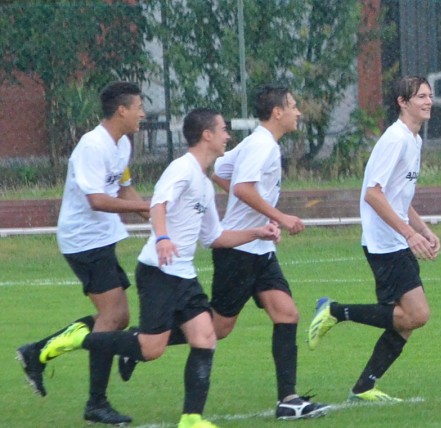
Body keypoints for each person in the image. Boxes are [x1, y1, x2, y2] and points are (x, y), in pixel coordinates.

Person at [56, 108, 280, 428]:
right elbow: (158, 204)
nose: (227, 136)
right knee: (150, 349)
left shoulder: (203, 183)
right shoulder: (181, 168)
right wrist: (162, 238)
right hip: (158, 272)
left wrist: (257, 232)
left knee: (205, 336)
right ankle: (79, 339)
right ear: (207, 135)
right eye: (223, 130)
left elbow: (215, 237)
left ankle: (191, 418)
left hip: (183, 274)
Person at [121, 84, 330, 420]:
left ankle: (288, 400)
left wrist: (255, 216)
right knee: (217, 329)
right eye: (293, 106)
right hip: (239, 253)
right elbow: (243, 188)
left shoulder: (258, 144)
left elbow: (222, 174)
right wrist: (278, 217)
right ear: (277, 112)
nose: (298, 112)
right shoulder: (261, 146)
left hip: (259, 248)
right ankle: (138, 342)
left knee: (287, 314)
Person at [15, 81, 150, 424]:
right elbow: (97, 200)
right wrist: (145, 208)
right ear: (122, 110)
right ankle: (96, 402)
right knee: (112, 318)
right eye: (139, 107)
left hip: (102, 238)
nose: (143, 113)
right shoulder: (92, 146)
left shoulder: (122, 145)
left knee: (118, 318)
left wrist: (155, 216)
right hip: (83, 241)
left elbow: (124, 188)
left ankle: (37, 352)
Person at [307, 76, 439, 402]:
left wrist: (423, 229)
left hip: (396, 240)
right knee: (416, 315)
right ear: (402, 102)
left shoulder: (413, 140)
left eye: (429, 95)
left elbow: (398, 197)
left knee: (406, 321)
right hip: (385, 242)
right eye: (420, 96)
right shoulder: (395, 139)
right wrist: (409, 233)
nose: (428, 101)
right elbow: (373, 194)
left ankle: (364, 387)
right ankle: (335, 311)